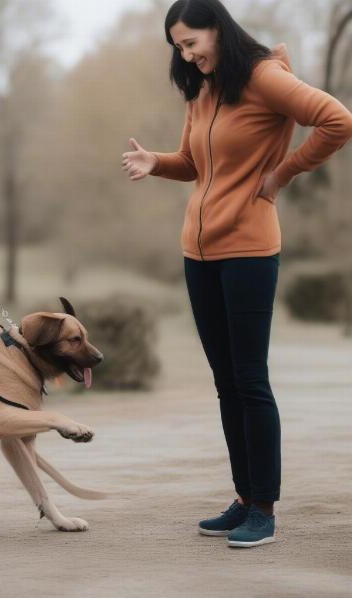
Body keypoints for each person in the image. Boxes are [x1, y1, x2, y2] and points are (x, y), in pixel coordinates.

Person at [122, 0, 352, 548]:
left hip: (249, 250)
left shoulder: (263, 78)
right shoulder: (203, 89)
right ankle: (244, 497)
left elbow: (338, 120)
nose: (186, 53)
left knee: (250, 380)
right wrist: (158, 162)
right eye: (178, 46)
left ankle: (265, 509)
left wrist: (284, 172)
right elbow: (195, 164)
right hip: (199, 255)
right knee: (226, 384)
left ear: (217, 30)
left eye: (191, 41)